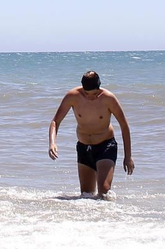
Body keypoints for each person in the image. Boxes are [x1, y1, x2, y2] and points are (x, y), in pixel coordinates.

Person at [48, 70, 134, 198]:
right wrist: (52, 143)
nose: (90, 97)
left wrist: (128, 157)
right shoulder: (73, 96)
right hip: (84, 147)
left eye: (94, 94)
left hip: (105, 146)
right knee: (86, 195)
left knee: (104, 193)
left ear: (99, 88)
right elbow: (55, 121)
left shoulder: (108, 98)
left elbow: (124, 125)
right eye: (87, 93)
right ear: (82, 88)